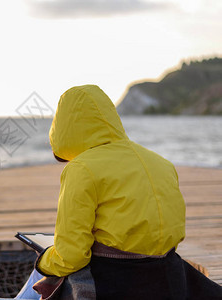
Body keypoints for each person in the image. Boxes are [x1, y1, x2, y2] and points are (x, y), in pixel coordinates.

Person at [16, 85, 222, 299]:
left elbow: (72, 256)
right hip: (167, 276)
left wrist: (43, 261)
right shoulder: (162, 163)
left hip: (115, 282)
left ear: (63, 127)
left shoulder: (81, 169)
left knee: (44, 267)